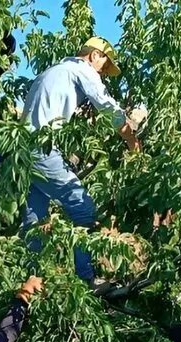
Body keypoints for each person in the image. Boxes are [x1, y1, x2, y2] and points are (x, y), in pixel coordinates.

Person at [19, 37, 141, 292]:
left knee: (34, 221)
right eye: (104, 66)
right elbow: (109, 108)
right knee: (83, 207)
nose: (103, 73)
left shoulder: (54, 71)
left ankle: (31, 285)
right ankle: (86, 280)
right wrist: (133, 143)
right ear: (94, 55)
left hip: (21, 149)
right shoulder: (82, 70)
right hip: (42, 148)